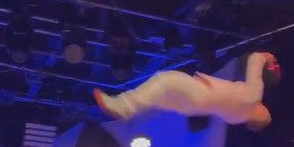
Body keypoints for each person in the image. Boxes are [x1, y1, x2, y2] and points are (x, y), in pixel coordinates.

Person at [93, 51, 280, 130]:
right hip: (195, 106)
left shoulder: (253, 96)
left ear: (260, 116)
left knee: (166, 80)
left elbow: (254, 60)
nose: (266, 108)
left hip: (201, 94)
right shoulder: (235, 119)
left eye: (267, 113)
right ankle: (126, 108)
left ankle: (124, 107)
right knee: (161, 92)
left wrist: (266, 57)